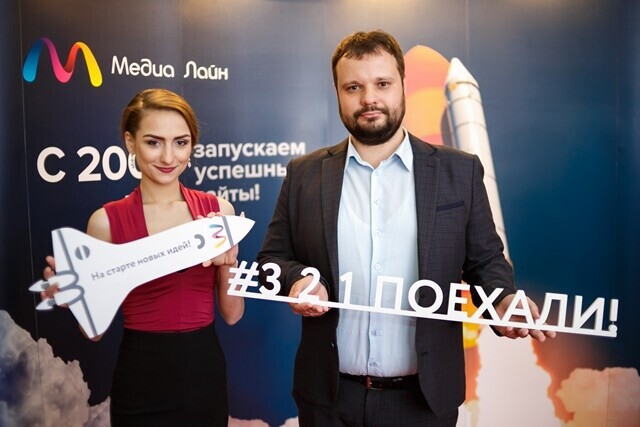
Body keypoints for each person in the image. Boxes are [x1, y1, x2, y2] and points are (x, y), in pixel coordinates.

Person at [257, 30, 555, 427]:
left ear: (402, 85)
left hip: (423, 402)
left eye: (382, 84)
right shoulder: (304, 174)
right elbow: (272, 261)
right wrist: (298, 279)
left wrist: (502, 301)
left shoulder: (459, 171)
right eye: (353, 87)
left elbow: (486, 262)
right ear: (338, 93)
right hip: (328, 400)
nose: (369, 98)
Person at [40, 88, 243, 426]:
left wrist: (228, 263)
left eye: (180, 142)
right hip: (140, 377)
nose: (168, 157)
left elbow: (233, 314)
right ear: (130, 142)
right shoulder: (106, 221)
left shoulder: (218, 211)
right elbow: (93, 333)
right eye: (153, 142)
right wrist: (75, 297)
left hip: (204, 373)